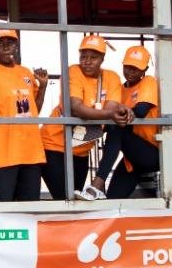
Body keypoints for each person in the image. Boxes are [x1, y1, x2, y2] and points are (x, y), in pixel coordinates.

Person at [40, 34, 129, 201]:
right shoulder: (73, 71)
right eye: (84, 56)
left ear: (102, 58)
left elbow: (109, 112)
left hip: (81, 150)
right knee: (64, 199)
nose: (87, 61)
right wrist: (110, 113)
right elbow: (76, 108)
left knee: (76, 202)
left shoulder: (112, 77)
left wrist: (112, 112)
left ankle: (98, 184)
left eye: (93, 57)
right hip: (54, 146)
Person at [0, 27, 49, 202]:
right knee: (2, 208)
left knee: (30, 207)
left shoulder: (25, 73)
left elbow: (34, 111)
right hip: (4, 153)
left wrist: (44, 86)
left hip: (31, 152)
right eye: (0, 43)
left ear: (16, 45)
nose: (6, 46)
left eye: (10, 42)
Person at [92, 45, 161, 199]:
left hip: (150, 151)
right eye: (127, 67)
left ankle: (98, 181)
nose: (130, 72)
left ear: (145, 70)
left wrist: (120, 111)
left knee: (117, 126)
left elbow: (141, 111)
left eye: (135, 68)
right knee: (113, 200)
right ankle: (99, 186)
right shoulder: (120, 90)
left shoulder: (148, 82)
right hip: (131, 157)